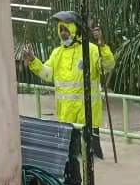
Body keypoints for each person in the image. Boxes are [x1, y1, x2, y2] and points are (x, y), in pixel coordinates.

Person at [23, 11, 114, 159]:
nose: (63, 33)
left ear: (75, 29)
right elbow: (47, 74)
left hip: (88, 117)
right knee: (71, 160)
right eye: (61, 30)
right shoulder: (57, 53)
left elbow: (108, 66)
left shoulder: (90, 50)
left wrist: (102, 45)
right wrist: (33, 61)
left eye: (66, 29)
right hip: (66, 117)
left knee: (93, 160)